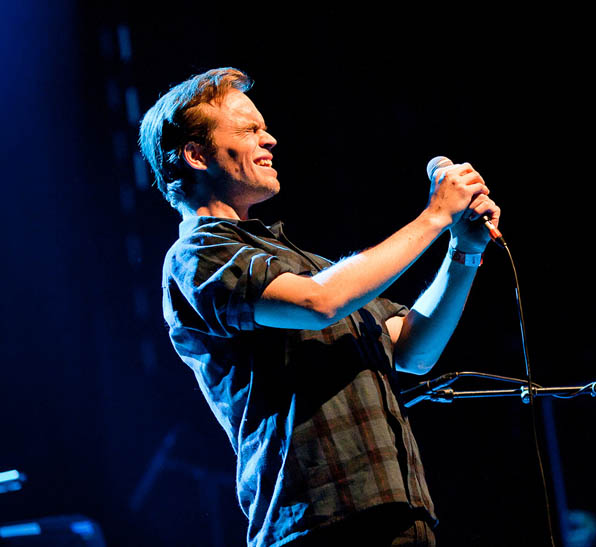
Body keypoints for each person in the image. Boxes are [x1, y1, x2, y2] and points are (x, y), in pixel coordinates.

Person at [139, 67, 500, 547]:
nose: (270, 139)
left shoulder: (311, 265)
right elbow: (320, 303)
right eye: (249, 129)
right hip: (318, 524)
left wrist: (463, 252)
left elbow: (413, 349)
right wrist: (435, 216)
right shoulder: (197, 256)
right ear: (196, 155)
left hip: (399, 512)